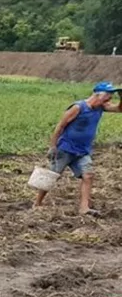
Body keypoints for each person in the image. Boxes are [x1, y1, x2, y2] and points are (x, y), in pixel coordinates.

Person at [34, 81, 122, 216]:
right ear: (98, 95)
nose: (110, 98)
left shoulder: (101, 107)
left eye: (111, 96)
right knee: (53, 175)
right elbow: (60, 126)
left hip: (83, 151)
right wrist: (53, 146)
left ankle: (84, 208)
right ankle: (37, 203)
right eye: (108, 95)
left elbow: (119, 109)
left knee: (88, 176)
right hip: (65, 149)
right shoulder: (78, 107)